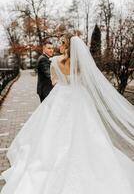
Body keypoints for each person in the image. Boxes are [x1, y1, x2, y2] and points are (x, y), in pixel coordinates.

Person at [1, 33, 134, 194]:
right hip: (79, 98)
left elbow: (54, 81)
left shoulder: (54, 61)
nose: (59, 46)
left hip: (60, 97)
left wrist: (64, 82)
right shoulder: (80, 64)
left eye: (61, 43)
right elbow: (86, 82)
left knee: (54, 129)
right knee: (86, 130)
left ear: (67, 46)